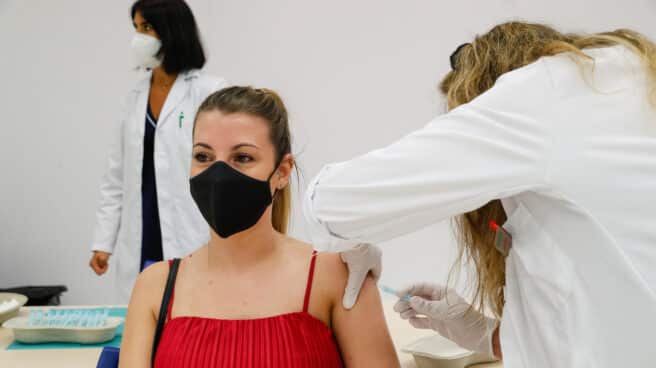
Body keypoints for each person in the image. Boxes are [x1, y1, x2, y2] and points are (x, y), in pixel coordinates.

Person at [304, 22, 656, 367]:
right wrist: (481, 333)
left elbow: (335, 204)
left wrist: (346, 240)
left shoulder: (537, 95)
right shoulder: (621, 82)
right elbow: (602, 310)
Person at [119, 86, 400, 367]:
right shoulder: (155, 286)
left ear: (282, 171)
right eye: (203, 157)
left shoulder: (338, 275)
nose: (218, 175)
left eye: (243, 158)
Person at [89, 0, 228, 300]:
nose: (138, 37)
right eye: (136, 28)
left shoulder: (209, 91)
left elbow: (224, 173)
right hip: (141, 230)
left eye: (146, 28)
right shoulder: (133, 97)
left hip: (190, 228)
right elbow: (115, 176)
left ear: (171, 31)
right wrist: (103, 241)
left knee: (191, 313)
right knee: (145, 313)